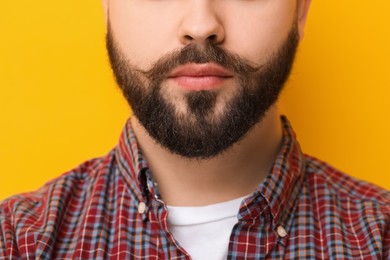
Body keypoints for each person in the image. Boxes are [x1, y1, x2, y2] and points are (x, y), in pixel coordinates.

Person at [1, 0, 389, 259]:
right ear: (107, 7)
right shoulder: (16, 241)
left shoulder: (381, 240)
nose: (201, 25)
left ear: (300, 11)